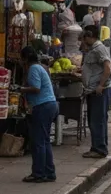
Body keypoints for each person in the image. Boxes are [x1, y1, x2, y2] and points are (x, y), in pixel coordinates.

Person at [19, 46, 58, 183]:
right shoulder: (40, 67)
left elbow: (36, 88)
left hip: (43, 106)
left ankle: (38, 173)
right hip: (49, 105)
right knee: (44, 141)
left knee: (38, 142)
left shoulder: (34, 68)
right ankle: (49, 172)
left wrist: (21, 89)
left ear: (25, 59)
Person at [81, 25, 111, 159]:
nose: (83, 40)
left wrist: (100, 85)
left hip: (98, 91)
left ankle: (99, 149)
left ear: (89, 36)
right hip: (92, 90)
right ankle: (98, 147)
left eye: (84, 37)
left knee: (97, 120)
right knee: (96, 120)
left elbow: (108, 68)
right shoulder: (93, 49)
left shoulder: (99, 49)